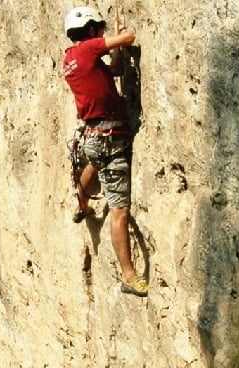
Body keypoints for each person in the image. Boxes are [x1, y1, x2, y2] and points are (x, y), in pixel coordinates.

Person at [63, 6, 149, 298]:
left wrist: (116, 53)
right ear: (89, 31)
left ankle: (82, 205)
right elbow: (128, 37)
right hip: (111, 137)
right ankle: (128, 275)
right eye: (98, 28)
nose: (101, 32)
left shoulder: (71, 58)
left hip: (92, 136)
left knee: (93, 167)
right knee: (120, 211)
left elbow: (115, 70)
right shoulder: (88, 49)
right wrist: (119, 31)